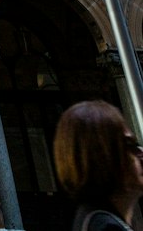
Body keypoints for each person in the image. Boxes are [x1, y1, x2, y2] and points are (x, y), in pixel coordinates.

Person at [54, 99, 143, 231]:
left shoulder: (98, 219)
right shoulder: (105, 227)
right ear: (101, 158)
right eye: (130, 146)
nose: (141, 152)